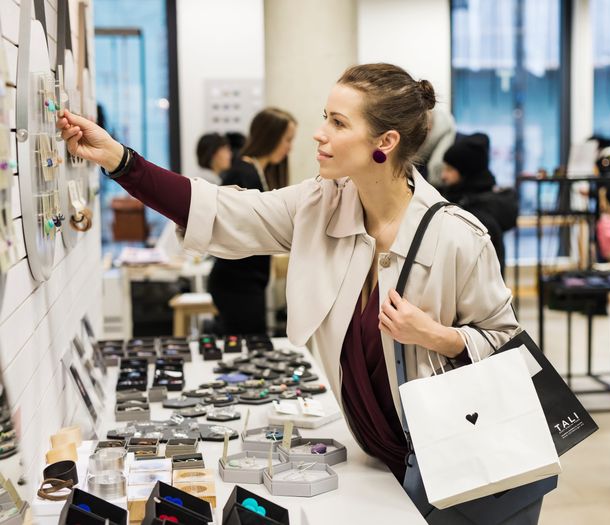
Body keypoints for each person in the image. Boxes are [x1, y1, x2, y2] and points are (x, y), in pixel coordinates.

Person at [57, 63, 549, 524]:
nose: (320, 133)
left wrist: (441, 337)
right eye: (324, 118)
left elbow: (508, 344)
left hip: (455, 463)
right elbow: (226, 211)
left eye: (337, 122)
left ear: (386, 141)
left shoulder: (458, 236)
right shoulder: (320, 205)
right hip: (378, 457)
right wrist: (120, 161)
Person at [209, 108, 297, 335]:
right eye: (287, 139)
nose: (290, 147)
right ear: (271, 136)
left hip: (247, 282)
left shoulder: (257, 172)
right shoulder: (242, 174)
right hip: (235, 283)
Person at [441, 133, 518, 275]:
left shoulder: (478, 215)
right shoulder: (471, 202)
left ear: (466, 173)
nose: (443, 175)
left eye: (450, 169)